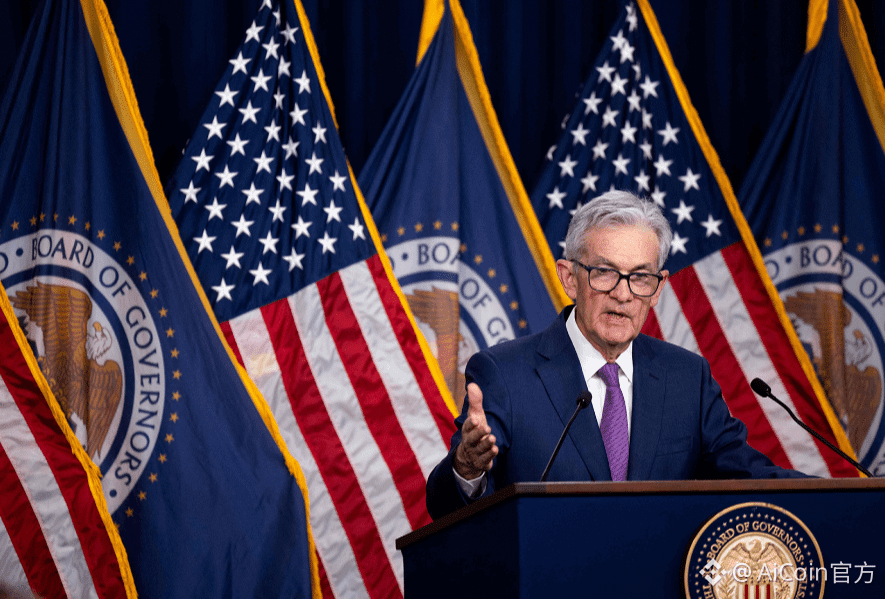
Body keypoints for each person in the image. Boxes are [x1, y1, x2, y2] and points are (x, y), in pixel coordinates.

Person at [425, 190, 806, 520]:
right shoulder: (505, 374)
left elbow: (746, 473)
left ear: (658, 288)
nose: (623, 294)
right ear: (570, 277)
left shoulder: (687, 377)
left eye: (640, 277)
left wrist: (836, 494)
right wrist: (467, 468)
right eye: (605, 272)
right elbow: (445, 509)